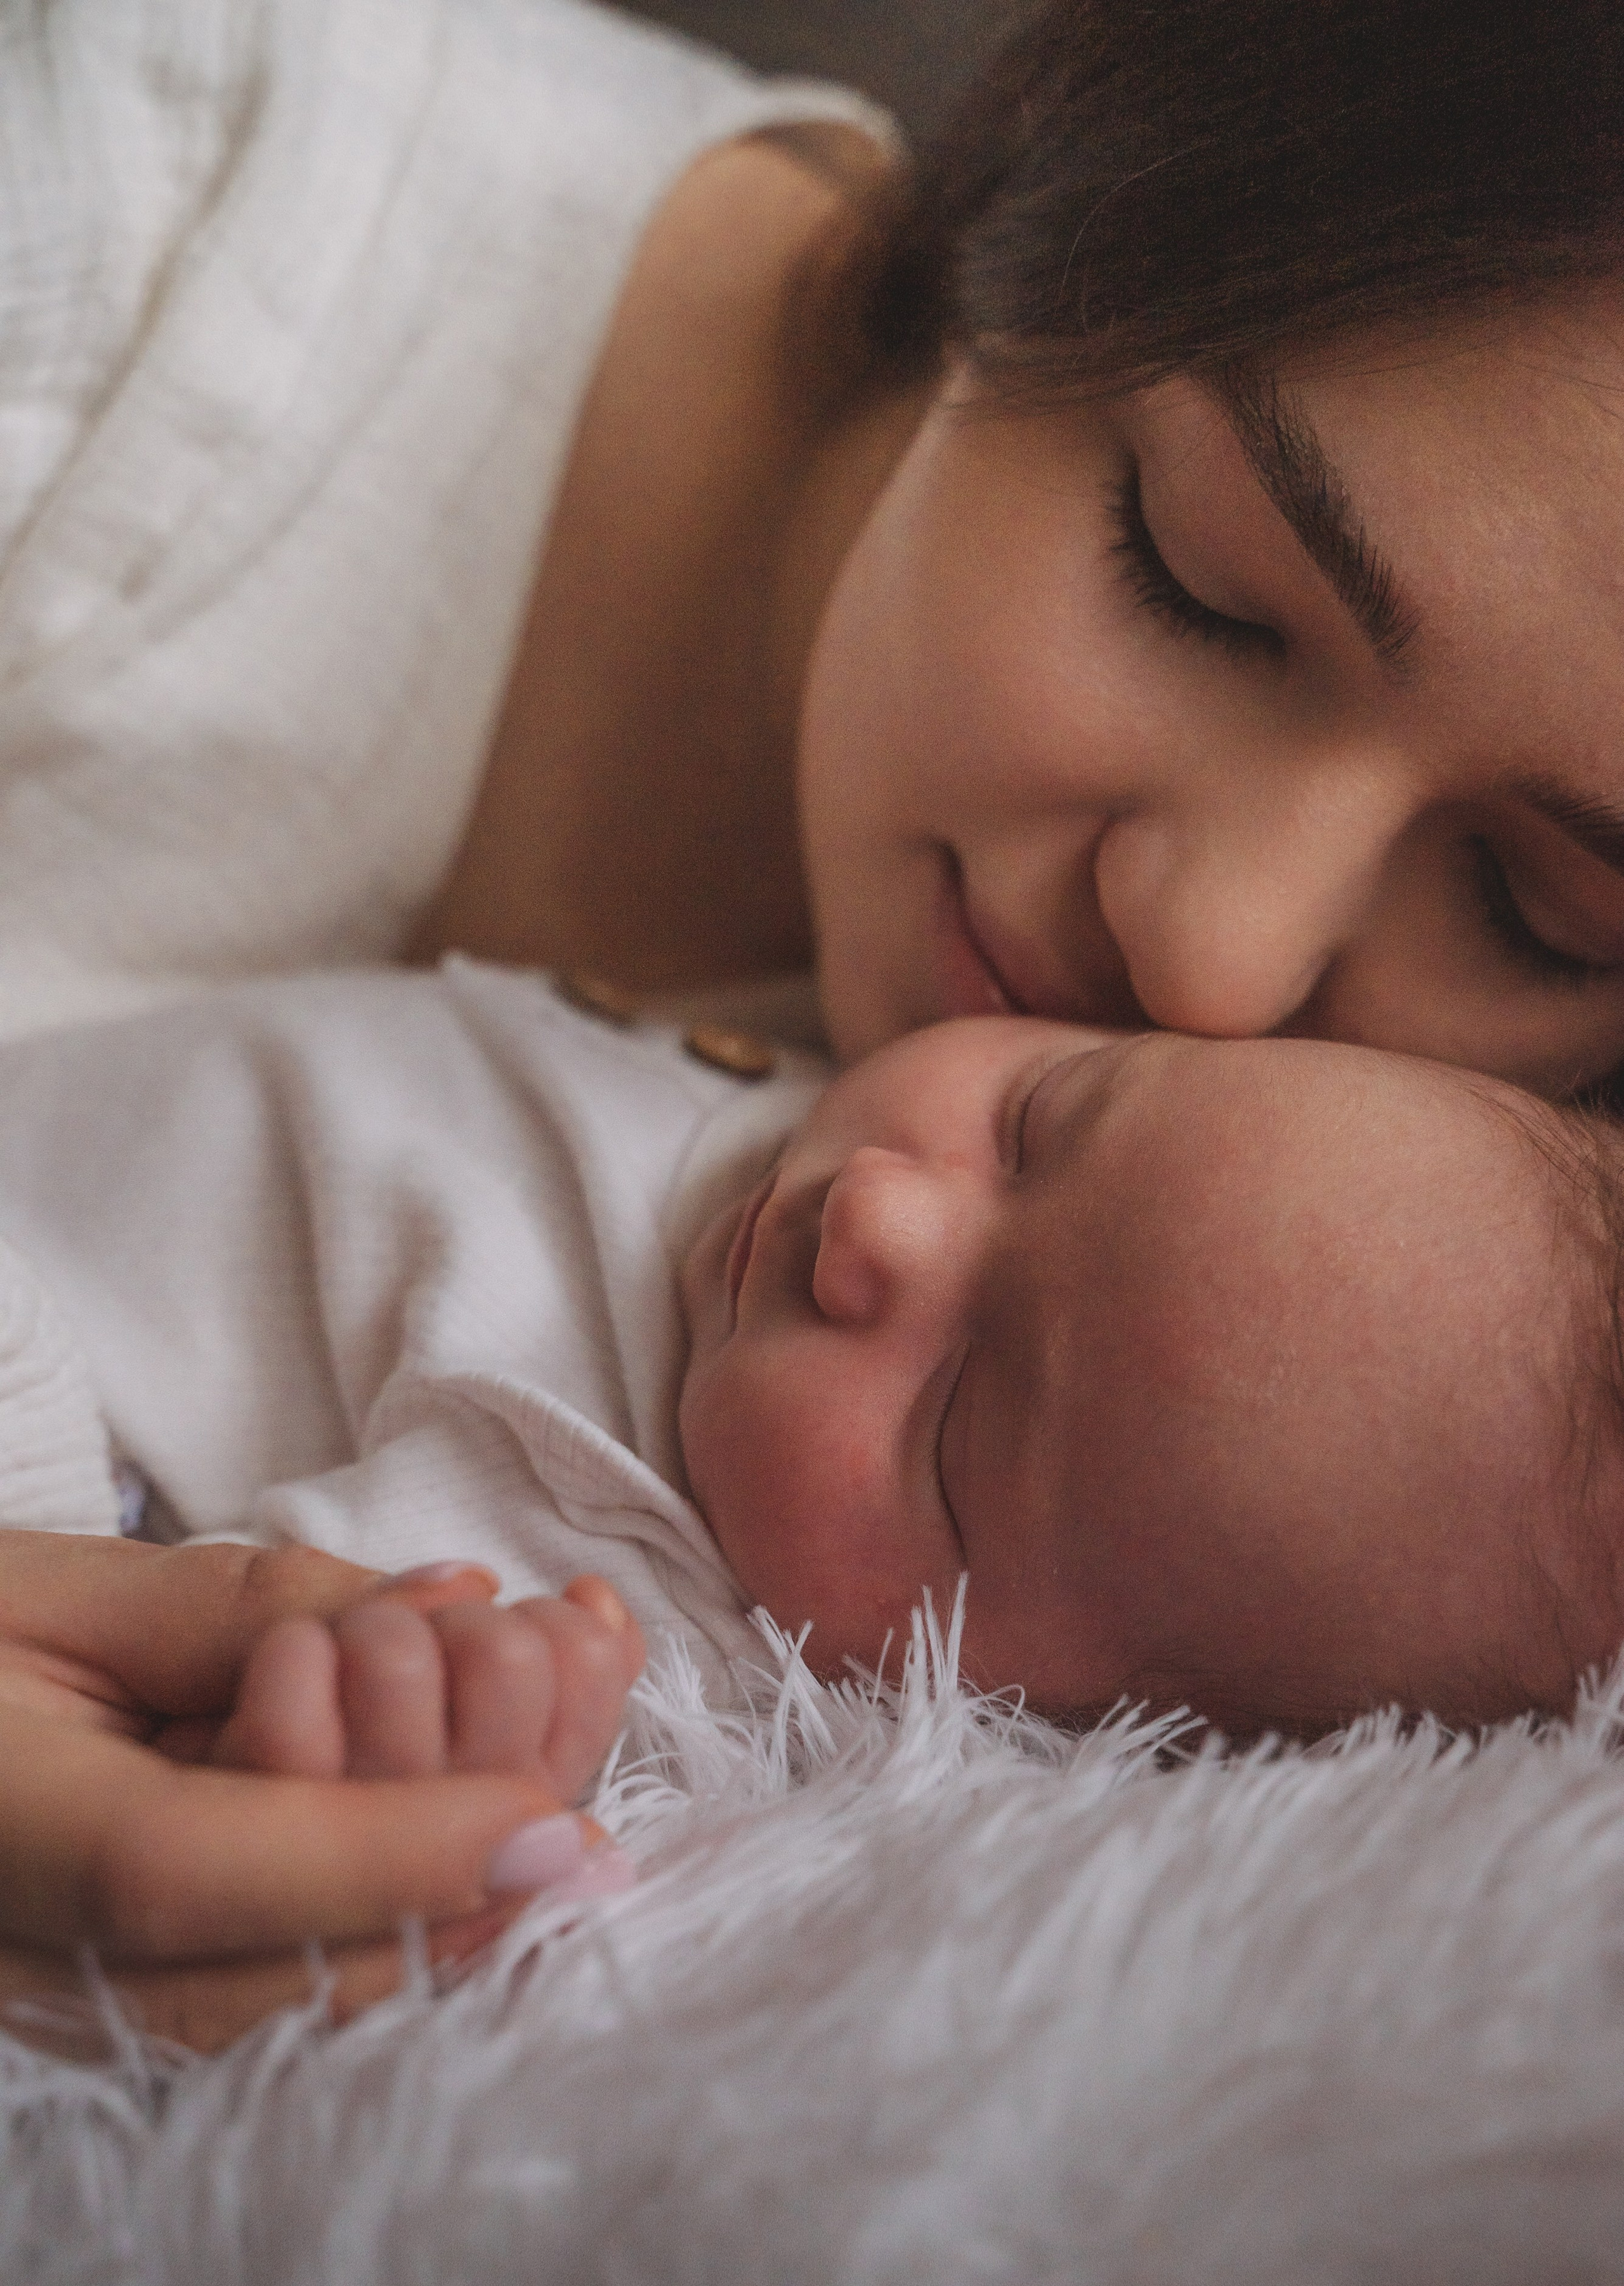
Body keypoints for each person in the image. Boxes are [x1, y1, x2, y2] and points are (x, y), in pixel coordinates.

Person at [8, 0, 1624, 2036]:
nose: (1214, 965)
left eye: (1539, 908)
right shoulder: (132, 215)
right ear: (1062, 202)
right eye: (1202, 586)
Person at [0, 959, 1616, 2008]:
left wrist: (401, 1705)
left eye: (957, 1423)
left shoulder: (614, 1550)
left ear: (1069, 1727)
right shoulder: (846, 1020)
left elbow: (196, 1675)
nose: (882, 1220)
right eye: (1045, 1114)